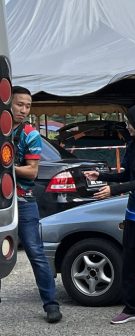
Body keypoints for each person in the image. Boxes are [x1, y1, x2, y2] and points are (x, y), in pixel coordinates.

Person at [85, 105, 135, 326]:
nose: (128, 126)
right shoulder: (133, 145)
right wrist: (101, 176)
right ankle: (131, 308)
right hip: (133, 213)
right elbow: (128, 175)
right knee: (130, 261)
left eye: (131, 122)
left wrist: (114, 190)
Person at [10, 86, 61, 323]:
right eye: (19, 104)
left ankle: (51, 304)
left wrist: (7, 168)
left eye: (28, 106)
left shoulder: (30, 134)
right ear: (7, 103)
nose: (24, 110)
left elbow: (32, 172)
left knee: (35, 252)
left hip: (24, 200)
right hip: (3, 202)